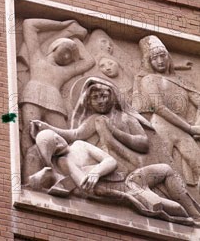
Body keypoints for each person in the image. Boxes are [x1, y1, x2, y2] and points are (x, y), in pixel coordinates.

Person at [30, 130, 200, 226]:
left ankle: (195, 214)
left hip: (131, 179)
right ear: (52, 152)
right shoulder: (64, 161)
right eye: (55, 143)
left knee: (165, 169)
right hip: (126, 190)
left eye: (57, 137)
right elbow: (84, 184)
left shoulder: (80, 145)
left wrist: (96, 171)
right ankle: (190, 220)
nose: (60, 141)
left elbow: (111, 161)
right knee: (172, 207)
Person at [18, 18, 94, 181]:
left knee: (65, 140)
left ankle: (65, 173)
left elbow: (89, 62)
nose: (67, 56)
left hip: (55, 102)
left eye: (71, 55)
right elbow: (29, 24)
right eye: (65, 50)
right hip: (32, 95)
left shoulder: (64, 72)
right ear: (54, 47)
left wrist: (77, 41)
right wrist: (63, 25)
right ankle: (30, 176)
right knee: (29, 132)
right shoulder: (37, 58)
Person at [31, 77, 152, 173]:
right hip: (100, 161)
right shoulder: (94, 119)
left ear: (113, 97)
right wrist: (48, 127)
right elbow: (75, 134)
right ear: (88, 102)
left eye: (104, 96)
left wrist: (114, 131)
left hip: (125, 162)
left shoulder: (125, 118)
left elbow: (144, 144)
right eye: (95, 98)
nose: (100, 101)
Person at [133, 35, 200, 189]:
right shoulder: (148, 79)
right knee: (162, 168)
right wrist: (189, 129)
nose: (160, 61)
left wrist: (197, 124)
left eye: (162, 55)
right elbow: (159, 107)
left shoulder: (180, 81)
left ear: (168, 57)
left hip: (183, 129)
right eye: (154, 58)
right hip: (161, 127)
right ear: (149, 62)